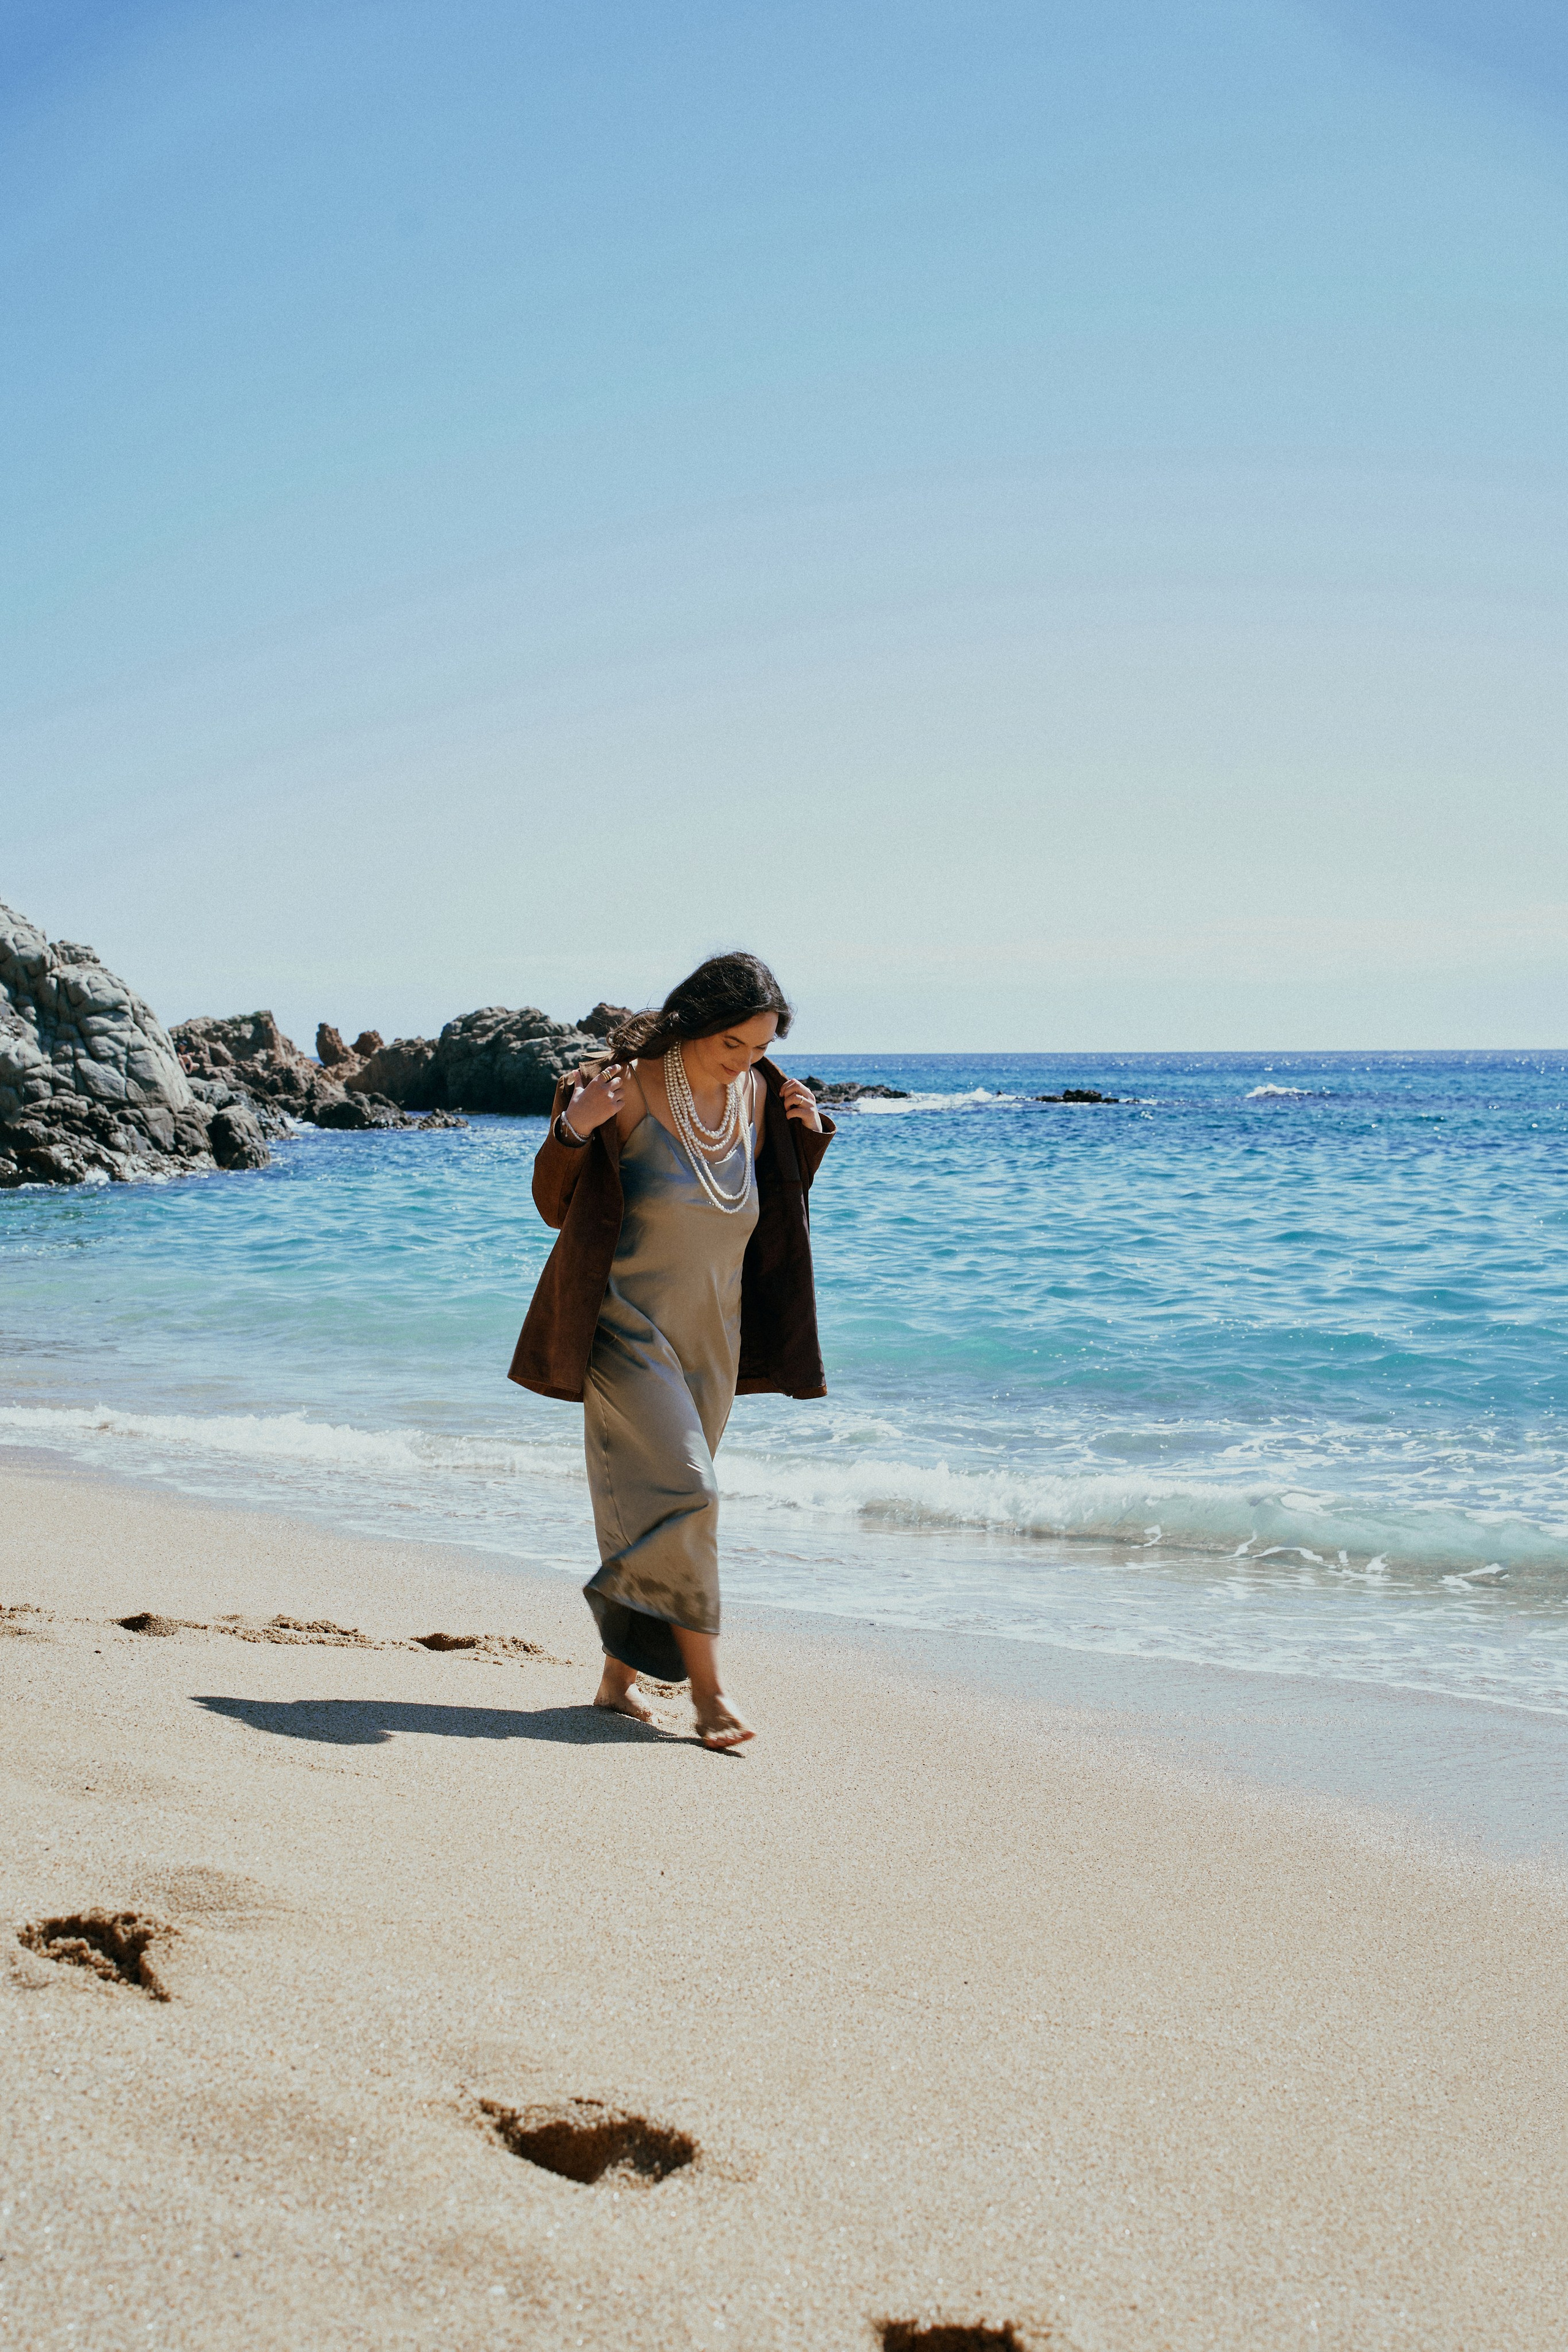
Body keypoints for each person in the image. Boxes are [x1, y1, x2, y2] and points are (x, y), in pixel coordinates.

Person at [508, 951, 834, 1750]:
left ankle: (617, 1683)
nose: (746, 1062)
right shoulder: (617, 1089)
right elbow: (555, 1205)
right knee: (691, 1494)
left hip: (714, 1334)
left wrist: (810, 1137)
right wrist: (571, 1130)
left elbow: (763, 1211)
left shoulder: (757, 1095)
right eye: (734, 1045)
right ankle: (711, 1696)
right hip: (624, 1327)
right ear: (694, 1023)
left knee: (662, 1514)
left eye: (758, 1049)